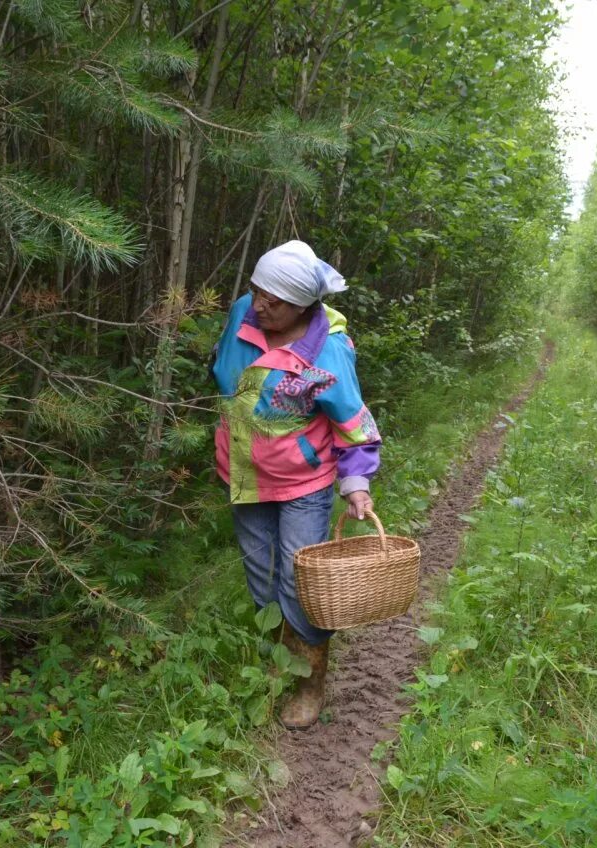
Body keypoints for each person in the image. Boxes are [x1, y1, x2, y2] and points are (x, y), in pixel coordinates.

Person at [211, 240, 381, 730]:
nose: (260, 305)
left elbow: (352, 420)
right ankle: (282, 661)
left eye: (275, 302)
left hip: (304, 481)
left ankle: (310, 682)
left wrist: (356, 482)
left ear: (305, 306)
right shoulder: (246, 311)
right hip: (244, 475)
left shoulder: (326, 350)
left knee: (300, 583)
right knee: (261, 578)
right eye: (256, 291)